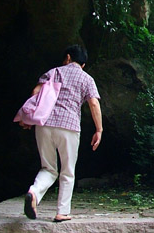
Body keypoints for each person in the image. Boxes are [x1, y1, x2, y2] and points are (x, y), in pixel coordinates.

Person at [21, 44, 103, 223]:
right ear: (83, 64)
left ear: (67, 58)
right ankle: (62, 212)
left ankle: (34, 193)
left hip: (45, 124)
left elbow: (36, 93)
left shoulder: (54, 72)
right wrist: (99, 129)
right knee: (67, 171)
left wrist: (28, 118)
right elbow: (94, 103)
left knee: (48, 168)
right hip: (69, 127)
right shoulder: (87, 79)